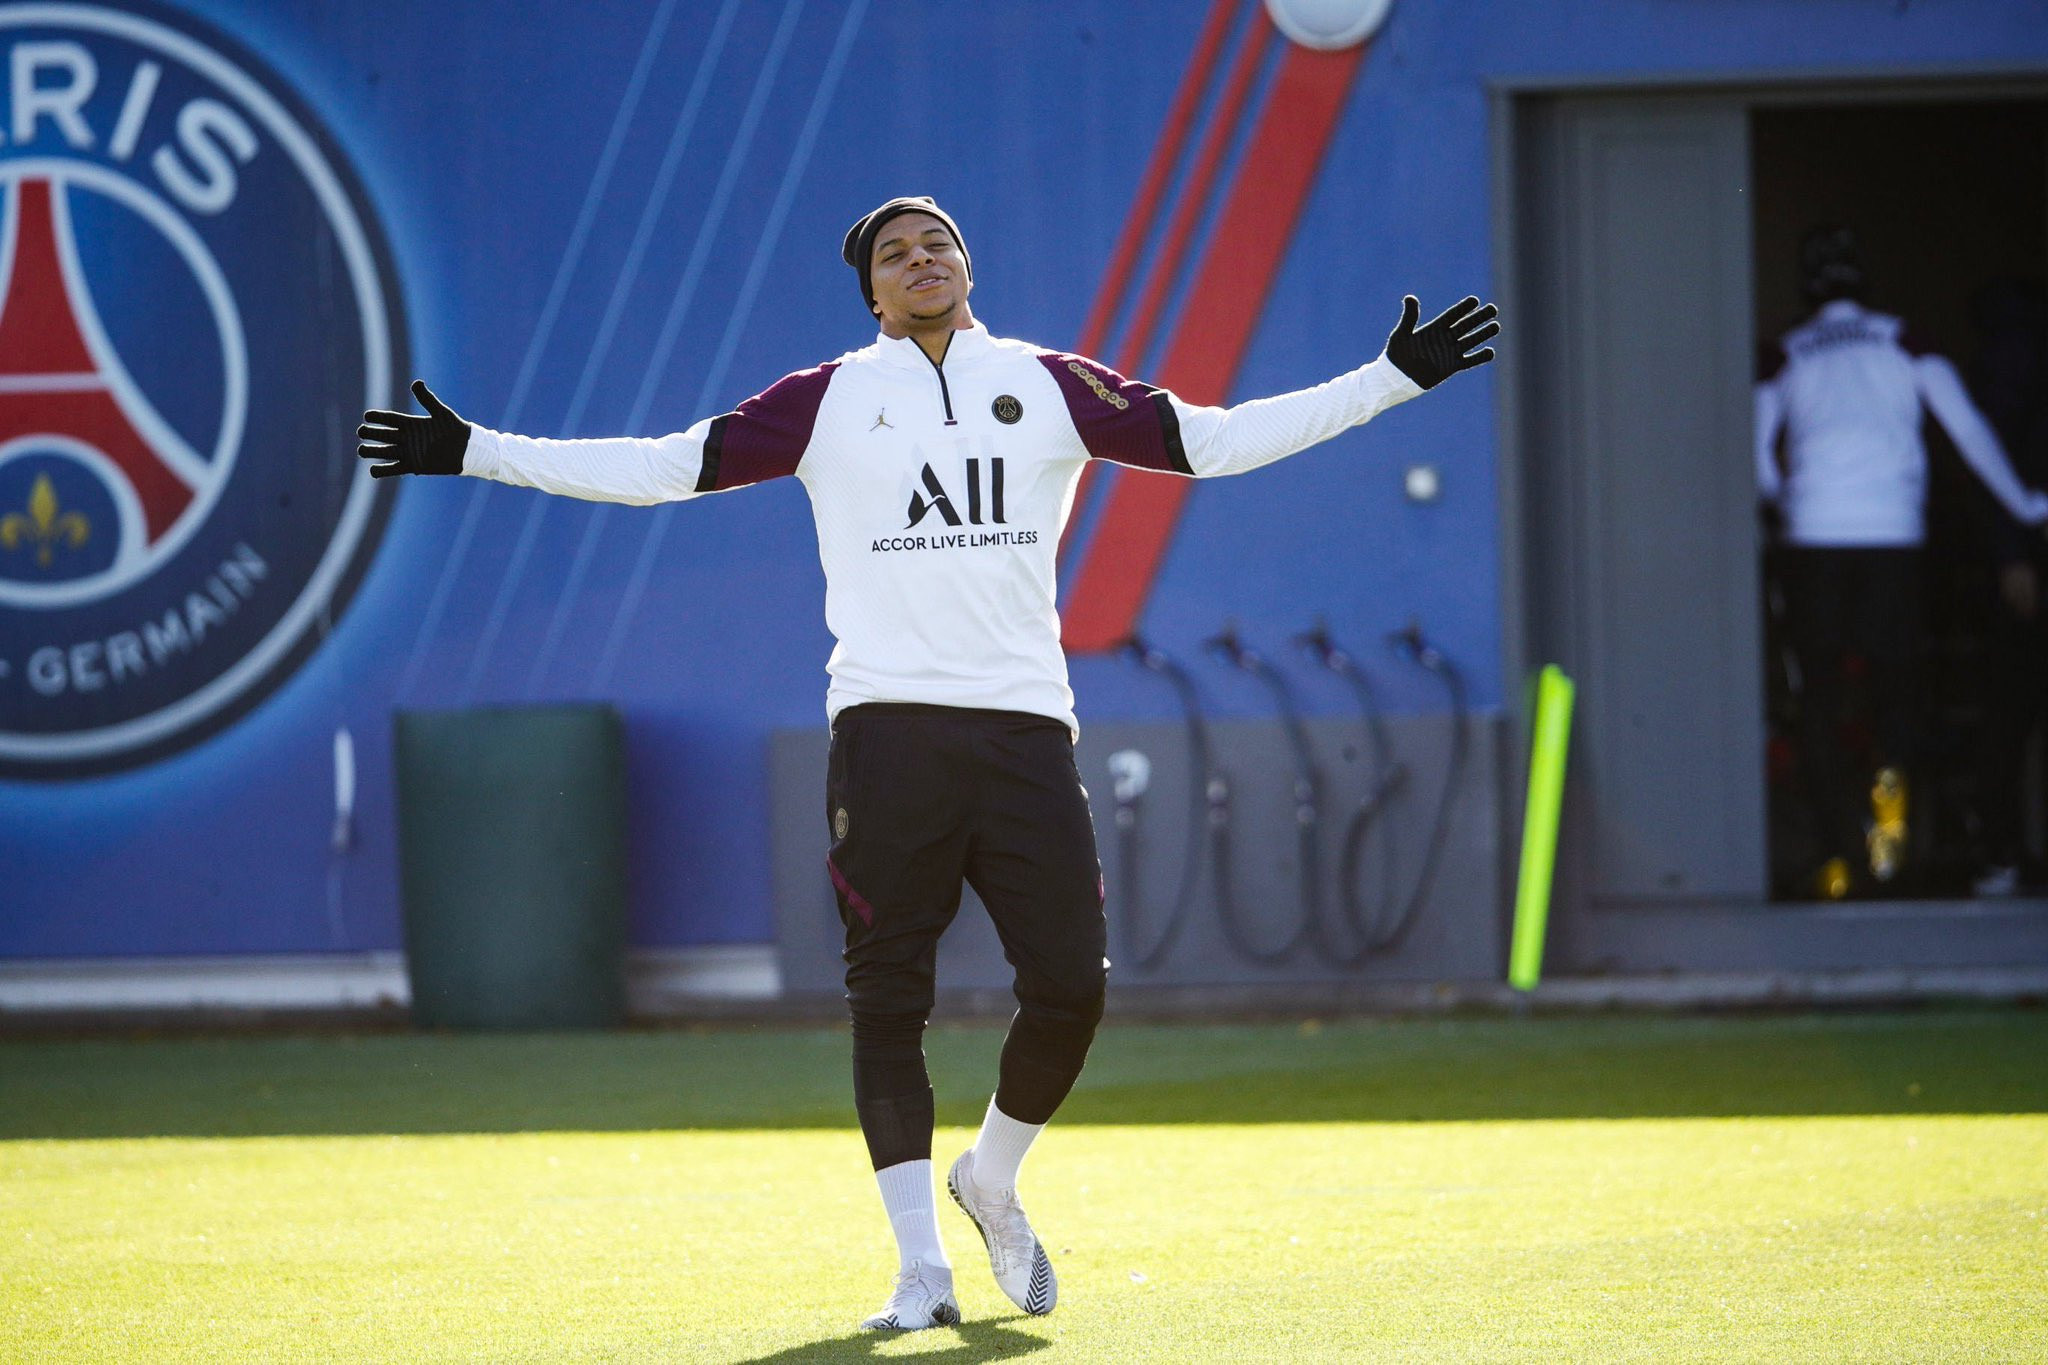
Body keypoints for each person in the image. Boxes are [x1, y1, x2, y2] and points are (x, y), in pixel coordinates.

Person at [358, 196, 1497, 1331]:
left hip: (1021, 730)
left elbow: (1209, 442)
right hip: (887, 734)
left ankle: (992, 1176)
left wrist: (1386, 380)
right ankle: (919, 1272)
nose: (922, 261)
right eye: (896, 255)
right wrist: (474, 451)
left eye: (938, 244)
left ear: (966, 263)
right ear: (871, 292)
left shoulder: (1049, 382)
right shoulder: (828, 400)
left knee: (1070, 985)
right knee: (885, 997)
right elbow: (662, 467)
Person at [1755, 226, 2048, 899]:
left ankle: (1840, 860)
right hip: (1893, 538)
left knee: (1822, 703)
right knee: (1895, 701)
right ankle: (1890, 850)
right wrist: (2026, 505)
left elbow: (1756, 455)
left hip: (1815, 542)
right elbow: (1970, 432)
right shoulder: (1906, 340)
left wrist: (1778, 510)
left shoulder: (1785, 354)